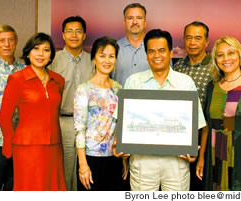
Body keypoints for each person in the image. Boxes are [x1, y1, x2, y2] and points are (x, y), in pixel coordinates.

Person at [113, 29, 206, 191]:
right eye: (151, 51)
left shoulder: (185, 82)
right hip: (142, 161)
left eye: (162, 50)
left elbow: (196, 123)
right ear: (146, 54)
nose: (157, 55)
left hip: (176, 162)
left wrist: (192, 149)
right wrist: (118, 143)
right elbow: (122, 122)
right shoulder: (134, 82)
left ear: (170, 52)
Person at [196, 36, 241, 191]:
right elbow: (207, 126)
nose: (226, 59)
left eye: (231, 53)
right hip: (215, 156)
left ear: (240, 55)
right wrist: (201, 157)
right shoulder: (212, 86)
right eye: (220, 55)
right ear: (215, 59)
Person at [0, 33, 66, 191]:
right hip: (27, 148)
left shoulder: (58, 80)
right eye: (36, 49)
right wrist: (9, 146)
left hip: (54, 146)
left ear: (51, 55)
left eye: (46, 50)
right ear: (28, 52)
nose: (40, 54)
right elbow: (4, 118)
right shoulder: (17, 79)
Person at [74, 36, 127, 191]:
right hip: (91, 158)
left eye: (111, 56)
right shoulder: (84, 90)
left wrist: (124, 160)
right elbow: (79, 129)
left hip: (114, 157)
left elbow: (120, 125)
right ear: (93, 59)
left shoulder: (119, 88)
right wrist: (83, 164)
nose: (107, 60)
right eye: (102, 56)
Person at [49, 16, 94, 191]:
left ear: (84, 35)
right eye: (69, 31)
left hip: (89, 123)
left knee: (86, 168)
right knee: (65, 167)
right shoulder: (53, 60)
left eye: (78, 31)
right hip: (63, 120)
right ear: (63, 35)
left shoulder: (93, 61)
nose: (74, 35)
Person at [173, 21, 212, 191]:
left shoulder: (215, 67)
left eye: (198, 38)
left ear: (206, 41)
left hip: (207, 136)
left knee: (202, 184)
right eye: (188, 38)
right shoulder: (177, 66)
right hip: (179, 136)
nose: (192, 42)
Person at [0, 24, 25, 191]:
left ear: (16, 42)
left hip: (20, 144)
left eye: (10, 40)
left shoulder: (26, 71)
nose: (6, 44)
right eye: (2, 40)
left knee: (14, 191)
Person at [113, 3, 150, 86]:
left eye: (139, 18)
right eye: (130, 18)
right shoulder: (114, 48)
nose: (134, 22)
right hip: (119, 98)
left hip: (149, 98)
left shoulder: (156, 49)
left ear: (145, 22)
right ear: (124, 22)